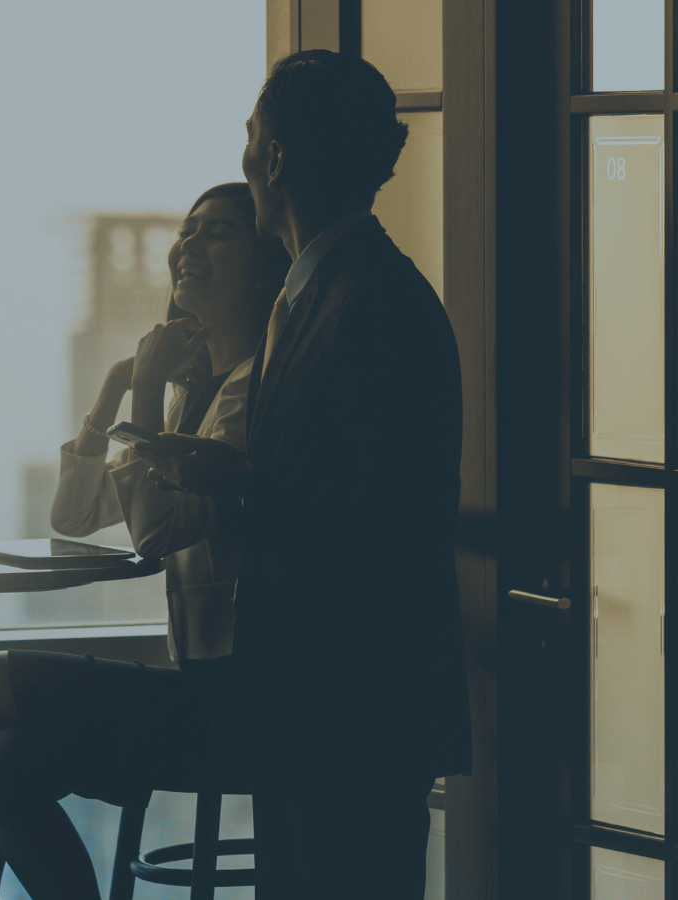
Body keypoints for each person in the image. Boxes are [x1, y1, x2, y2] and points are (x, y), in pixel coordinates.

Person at [148, 49, 471, 896]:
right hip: (315, 697)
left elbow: (374, 510)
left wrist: (238, 482)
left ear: (278, 159)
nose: (245, 160)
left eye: (252, 138)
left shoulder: (372, 303)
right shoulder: (319, 298)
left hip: (352, 699)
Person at [0, 183, 288, 900]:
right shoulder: (195, 390)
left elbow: (161, 530)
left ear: (263, 267)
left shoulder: (256, 393)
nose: (189, 246)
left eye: (218, 233)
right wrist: (113, 391)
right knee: (0, 767)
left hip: (243, 704)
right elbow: (72, 516)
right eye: (187, 232)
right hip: (204, 692)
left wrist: (146, 393)